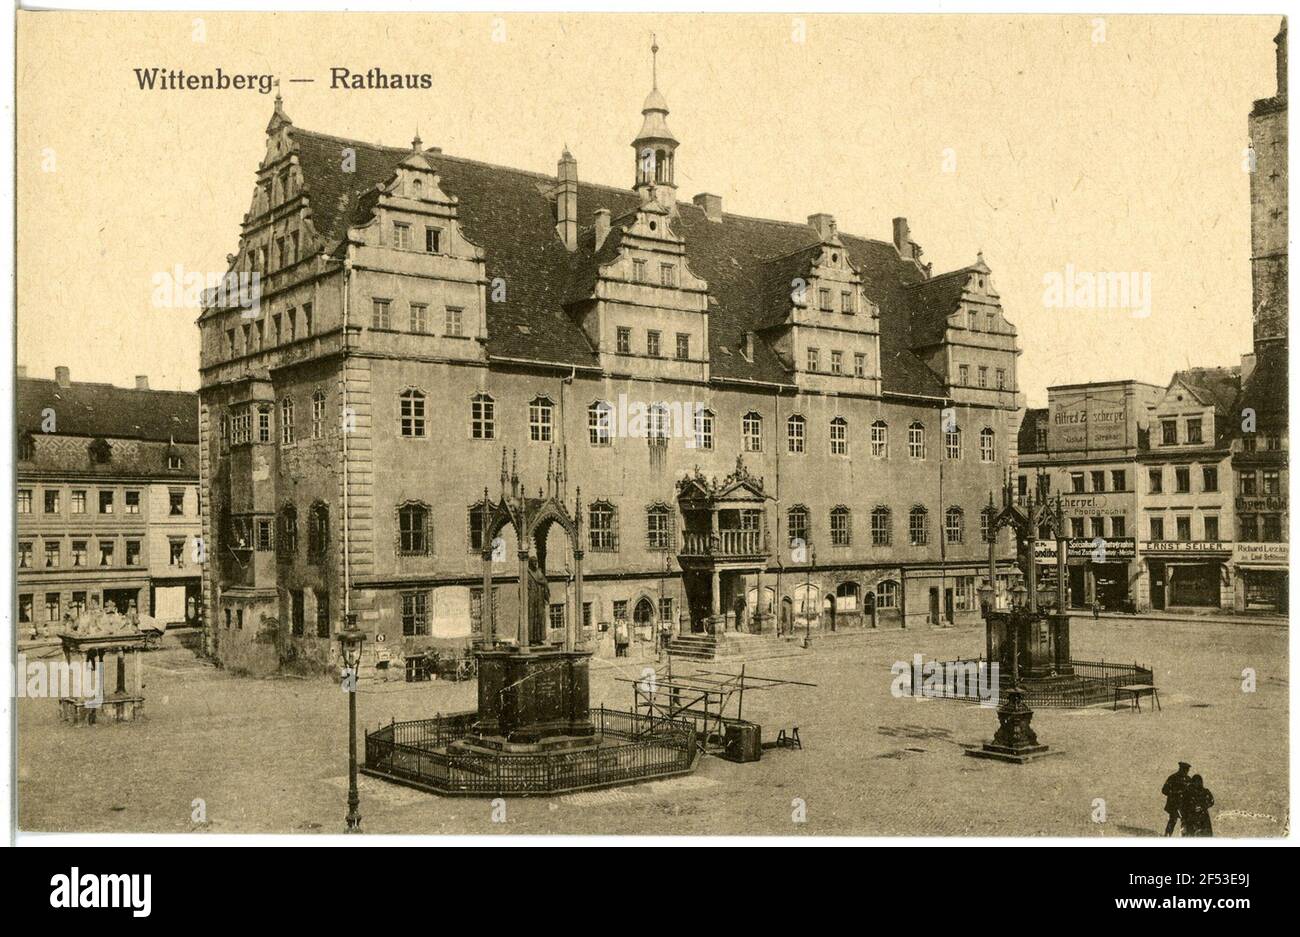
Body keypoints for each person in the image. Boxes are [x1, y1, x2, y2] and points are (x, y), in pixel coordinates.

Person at [1161, 761, 1191, 836]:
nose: (1186, 771)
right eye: (1185, 769)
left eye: (1187, 770)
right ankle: (1167, 836)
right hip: (1174, 804)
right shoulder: (1172, 778)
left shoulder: (1189, 779)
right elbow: (1164, 790)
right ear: (1180, 769)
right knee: (1172, 821)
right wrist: (1175, 792)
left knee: (1184, 823)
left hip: (1184, 805)